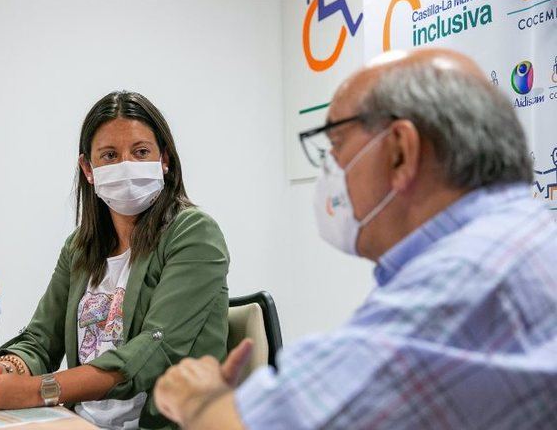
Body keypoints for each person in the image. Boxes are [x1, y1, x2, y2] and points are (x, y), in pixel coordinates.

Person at [153, 48, 557, 429]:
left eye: (336, 144)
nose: (330, 168)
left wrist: (200, 400)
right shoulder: (524, 238)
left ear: (400, 152)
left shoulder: (465, 280)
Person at [0, 91, 230, 430]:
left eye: (141, 152)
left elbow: (154, 350)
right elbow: (40, 339)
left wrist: (34, 390)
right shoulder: (79, 247)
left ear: (164, 159)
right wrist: (3, 372)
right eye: (109, 155)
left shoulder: (194, 233)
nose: (126, 165)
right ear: (88, 169)